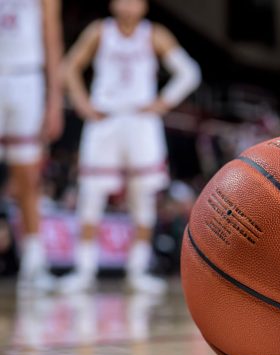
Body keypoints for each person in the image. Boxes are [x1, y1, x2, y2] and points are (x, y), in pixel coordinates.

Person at [61, 0, 200, 294]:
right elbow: (69, 66)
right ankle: (83, 271)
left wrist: (163, 102)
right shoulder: (100, 31)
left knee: (143, 197)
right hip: (105, 119)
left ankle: (137, 271)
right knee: (91, 194)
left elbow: (189, 73)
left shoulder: (154, 34)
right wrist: (82, 104)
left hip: (140, 122)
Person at [0, 0, 64, 292]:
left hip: (27, 77)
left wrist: (55, 100)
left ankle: (33, 263)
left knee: (28, 176)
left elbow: (51, 33)